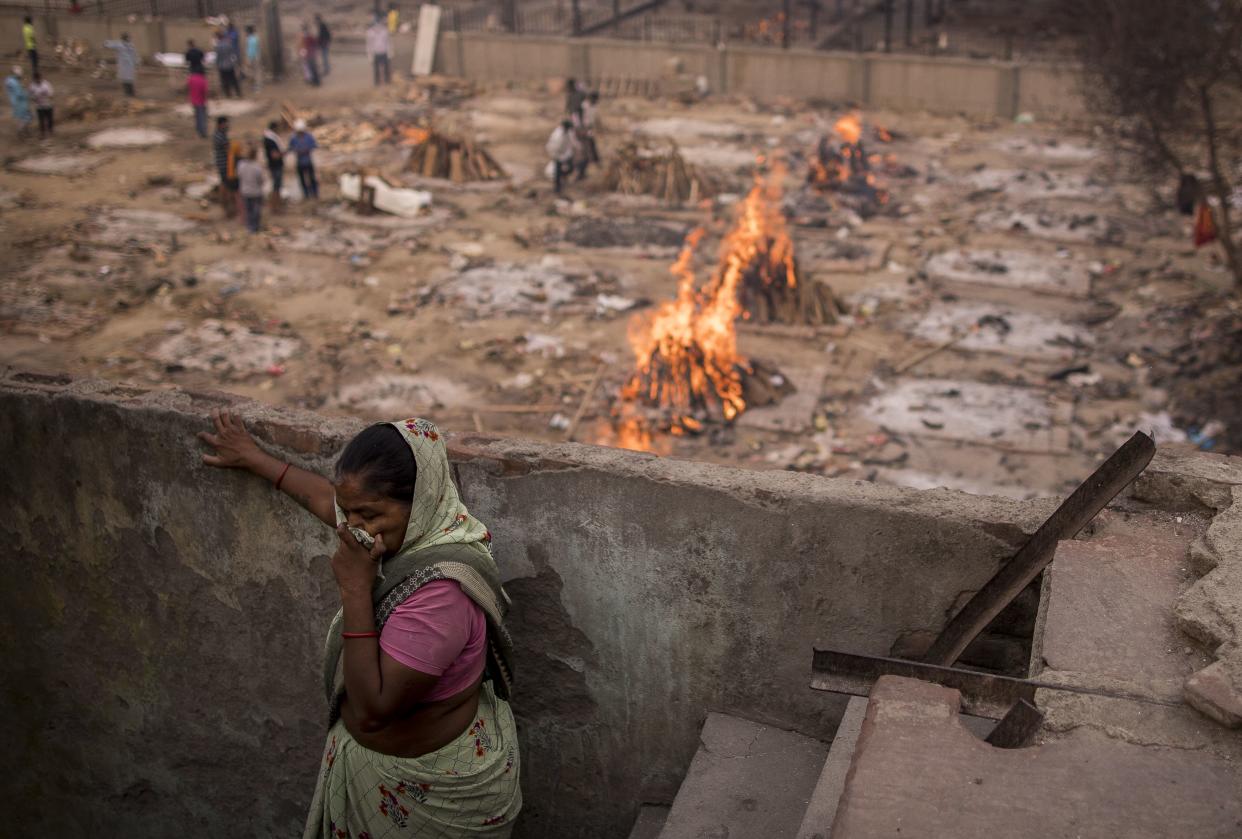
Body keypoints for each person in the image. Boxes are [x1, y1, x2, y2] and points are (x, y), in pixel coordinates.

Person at [198, 411, 521, 839]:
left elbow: (373, 712)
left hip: (429, 795)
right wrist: (255, 458)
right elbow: (321, 498)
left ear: (421, 501)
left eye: (368, 514)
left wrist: (354, 589)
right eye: (348, 512)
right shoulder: (401, 531)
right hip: (380, 777)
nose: (352, 528)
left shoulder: (442, 593)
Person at [213, 116, 242, 217]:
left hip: (223, 164)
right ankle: (228, 207)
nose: (227, 126)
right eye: (225, 124)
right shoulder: (220, 136)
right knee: (228, 186)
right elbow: (228, 150)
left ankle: (226, 206)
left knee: (224, 184)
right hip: (224, 165)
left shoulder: (220, 134)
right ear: (220, 124)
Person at [237, 145, 265, 233]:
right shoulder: (257, 167)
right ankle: (255, 227)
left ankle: (250, 227)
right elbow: (261, 180)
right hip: (256, 192)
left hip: (245, 191)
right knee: (256, 211)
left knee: (248, 210)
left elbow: (239, 176)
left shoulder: (241, 165)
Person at [545, 118, 578, 195]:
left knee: (571, 167)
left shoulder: (569, 132)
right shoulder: (557, 135)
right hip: (557, 154)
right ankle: (557, 188)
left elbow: (573, 141)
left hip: (566, 153)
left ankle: (563, 176)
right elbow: (552, 146)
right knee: (558, 171)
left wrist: (576, 148)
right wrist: (555, 156)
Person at [288, 119, 319, 200]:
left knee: (312, 178)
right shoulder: (293, 138)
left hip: (308, 161)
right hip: (299, 162)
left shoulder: (308, 136)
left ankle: (315, 193)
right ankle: (306, 194)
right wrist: (297, 150)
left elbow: (314, 145)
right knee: (302, 179)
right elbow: (290, 147)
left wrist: (306, 149)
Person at [104, 33, 138, 97]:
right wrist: (106, 43)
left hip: (130, 65)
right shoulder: (119, 44)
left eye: (129, 38)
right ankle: (127, 93)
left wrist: (136, 62)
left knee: (130, 79)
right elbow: (109, 44)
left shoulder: (131, 45)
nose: (129, 39)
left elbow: (134, 54)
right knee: (125, 79)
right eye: (127, 38)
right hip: (123, 65)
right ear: (124, 38)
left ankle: (131, 92)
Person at [263, 121, 285, 210]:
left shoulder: (270, 138)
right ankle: (275, 206)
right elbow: (274, 155)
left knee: (277, 186)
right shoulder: (270, 140)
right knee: (276, 186)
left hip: (274, 165)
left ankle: (277, 205)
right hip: (275, 165)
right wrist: (283, 153)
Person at [6, 66, 31, 138]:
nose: (21, 75)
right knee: (27, 117)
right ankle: (21, 131)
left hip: (15, 101)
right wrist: (26, 91)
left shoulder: (8, 80)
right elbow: (19, 93)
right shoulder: (15, 83)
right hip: (20, 102)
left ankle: (24, 131)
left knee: (22, 117)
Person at [366, 15, 391, 87]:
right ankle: (377, 84)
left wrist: (389, 52)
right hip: (376, 53)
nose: (378, 25)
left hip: (384, 52)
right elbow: (369, 45)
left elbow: (388, 42)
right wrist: (369, 55)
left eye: (379, 23)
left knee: (386, 69)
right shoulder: (370, 32)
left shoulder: (385, 31)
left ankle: (387, 82)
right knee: (376, 70)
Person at [215, 30, 241, 98]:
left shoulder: (218, 46)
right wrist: (234, 63)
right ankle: (238, 93)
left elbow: (218, 57)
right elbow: (233, 55)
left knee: (224, 80)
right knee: (233, 79)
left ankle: (228, 94)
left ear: (218, 38)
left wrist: (217, 64)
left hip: (222, 66)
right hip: (230, 65)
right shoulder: (229, 44)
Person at [29, 71, 52, 138]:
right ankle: (43, 133)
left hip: (48, 104)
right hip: (39, 106)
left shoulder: (46, 84)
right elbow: (30, 95)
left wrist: (45, 95)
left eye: (38, 78)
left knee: (49, 119)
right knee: (41, 120)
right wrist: (34, 98)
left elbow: (51, 94)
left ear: (41, 78)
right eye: (36, 79)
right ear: (34, 79)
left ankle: (50, 131)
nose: (37, 80)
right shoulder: (32, 86)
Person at [187, 66, 208, 138]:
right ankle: (203, 132)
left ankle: (198, 130)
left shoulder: (191, 78)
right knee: (202, 117)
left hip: (193, 100)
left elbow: (189, 88)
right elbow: (204, 91)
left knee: (197, 116)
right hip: (201, 101)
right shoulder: (202, 80)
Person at [244, 25, 261, 91]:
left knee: (254, 72)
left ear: (248, 32)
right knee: (255, 72)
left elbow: (251, 50)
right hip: (256, 57)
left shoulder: (250, 39)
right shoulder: (255, 37)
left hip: (253, 57)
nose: (245, 33)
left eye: (246, 31)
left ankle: (256, 86)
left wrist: (248, 59)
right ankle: (256, 85)